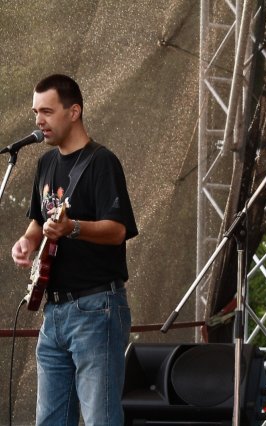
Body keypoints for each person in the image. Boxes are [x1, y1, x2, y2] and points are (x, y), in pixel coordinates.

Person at [11, 74, 138, 425]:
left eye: (47, 111)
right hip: (53, 311)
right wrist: (27, 242)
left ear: (74, 111)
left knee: (101, 418)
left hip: (96, 308)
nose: (39, 120)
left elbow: (118, 230)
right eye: (36, 112)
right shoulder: (45, 164)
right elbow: (38, 221)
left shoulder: (102, 162)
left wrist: (74, 228)